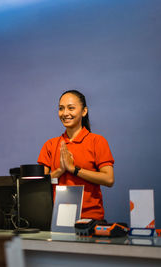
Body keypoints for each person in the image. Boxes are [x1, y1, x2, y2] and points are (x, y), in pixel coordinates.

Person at [38, 90, 114, 220]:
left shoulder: (97, 141)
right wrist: (60, 171)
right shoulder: (50, 145)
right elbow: (39, 184)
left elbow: (109, 179)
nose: (65, 113)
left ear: (84, 111)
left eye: (71, 108)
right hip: (58, 219)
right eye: (61, 109)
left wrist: (74, 169)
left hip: (89, 219)